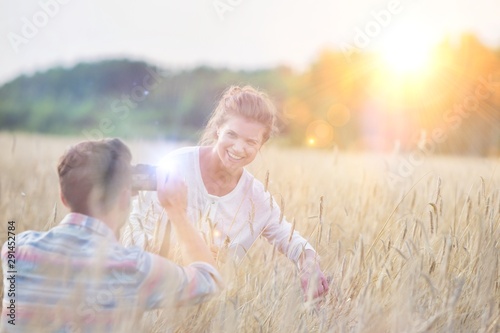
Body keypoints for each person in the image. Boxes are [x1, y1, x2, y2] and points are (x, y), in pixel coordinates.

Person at [123, 85, 329, 299]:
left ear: (261, 144)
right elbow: (135, 228)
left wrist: (309, 265)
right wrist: (184, 252)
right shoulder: (175, 166)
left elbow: (290, 237)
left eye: (251, 142)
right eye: (232, 134)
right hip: (152, 299)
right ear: (218, 129)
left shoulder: (256, 198)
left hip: (210, 310)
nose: (239, 148)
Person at [0, 138, 223, 333]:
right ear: (125, 198)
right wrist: (176, 210)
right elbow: (209, 280)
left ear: (63, 197)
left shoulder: (15, 249)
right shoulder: (131, 266)